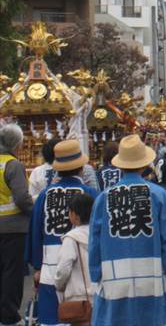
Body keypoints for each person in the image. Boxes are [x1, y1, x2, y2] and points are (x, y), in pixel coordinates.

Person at [89, 134, 166, 326]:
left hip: (114, 276)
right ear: (144, 165)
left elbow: (95, 240)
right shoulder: (159, 194)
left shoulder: (104, 198)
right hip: (153, 274)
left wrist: (96, 272)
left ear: (120, 165)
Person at [26, 139, 98, 326]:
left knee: (51, 317)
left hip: (50, 264)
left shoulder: (45, 194)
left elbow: (35, 231)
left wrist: (37, 266)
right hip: (84, 266)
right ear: (81, 168)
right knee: (83, 316)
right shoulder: (90, 194)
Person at [0, 124, 34, 326]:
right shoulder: (13, 165)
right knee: (12, 274)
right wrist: (33, 211)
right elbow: (22, 198)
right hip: (13, 228)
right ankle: (10, 316)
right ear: (16, 144)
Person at [54, 193, 95, 323]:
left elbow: (63, 269)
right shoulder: (99, 235)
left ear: (74, 215)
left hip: (78, 299)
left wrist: (58, 285)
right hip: (99, 296)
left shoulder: (71, 238)